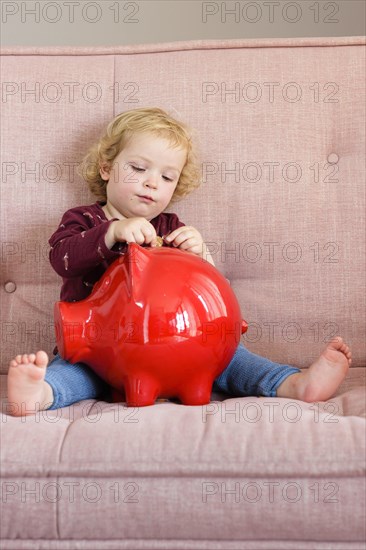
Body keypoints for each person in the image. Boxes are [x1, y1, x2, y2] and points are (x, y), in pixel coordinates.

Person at [7, 107, 352, 416]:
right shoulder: (84, 220)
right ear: (107, 168)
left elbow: (207, 293)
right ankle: (39, 393)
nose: (151, 182)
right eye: (138, 167)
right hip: (99, 353)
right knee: (71, 374)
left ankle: (293, 385)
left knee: (234, 361)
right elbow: (62, 259)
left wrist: (200, 254)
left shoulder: (171, 228)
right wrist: (113, 233)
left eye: (167, 177)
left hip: (184, 349)